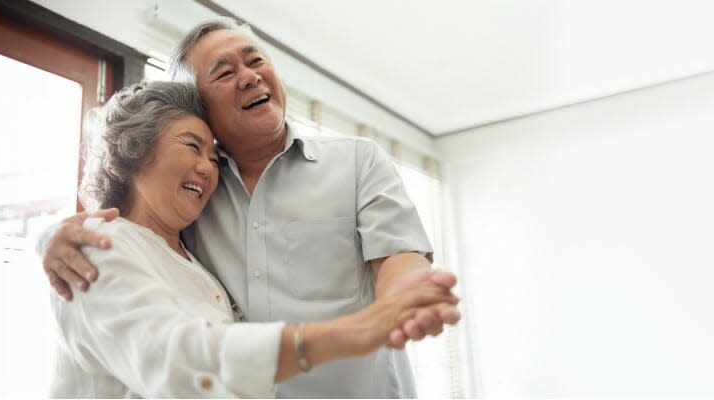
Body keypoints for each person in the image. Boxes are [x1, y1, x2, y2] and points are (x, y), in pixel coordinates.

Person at [42, 18, 461, 398]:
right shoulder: (184, 204)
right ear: (200, 109)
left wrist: (404, 300)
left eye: (255, 60)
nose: (249, 76)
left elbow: (399, 257)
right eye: (224, 73)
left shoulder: (357, 160)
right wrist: (51, 238)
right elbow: (165, 339)